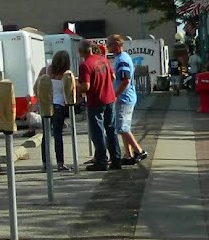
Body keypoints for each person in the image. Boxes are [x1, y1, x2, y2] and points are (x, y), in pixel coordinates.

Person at [78, 40, 122, 171]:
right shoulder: (103, 60)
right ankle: (116, 159)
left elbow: (86, 86)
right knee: (111, 129)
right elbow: (113, 77)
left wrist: (76, 89)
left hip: (96, 101)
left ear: (80, 52)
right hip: (109, 98)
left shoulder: (85, 65)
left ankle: (102, 161)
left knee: (97, 132)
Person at [108, 34, 147, 165]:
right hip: (125, 96)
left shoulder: (122, 60)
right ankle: (128, 155)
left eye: (109, 44)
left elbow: (125, 80)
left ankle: (139, 150)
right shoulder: (120, 58)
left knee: (122, 128)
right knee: (124, 127)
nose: (108, 47)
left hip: (125, 97)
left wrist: (115, 94)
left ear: (117, 45)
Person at [38, 49, 72, 171]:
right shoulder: (66, 74)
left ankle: (46, 163)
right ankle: (60, 163)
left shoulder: (45, 71)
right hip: (59, 105)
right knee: (58, 135)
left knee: (46, 135)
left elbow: (37, 87)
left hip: (46, 104)